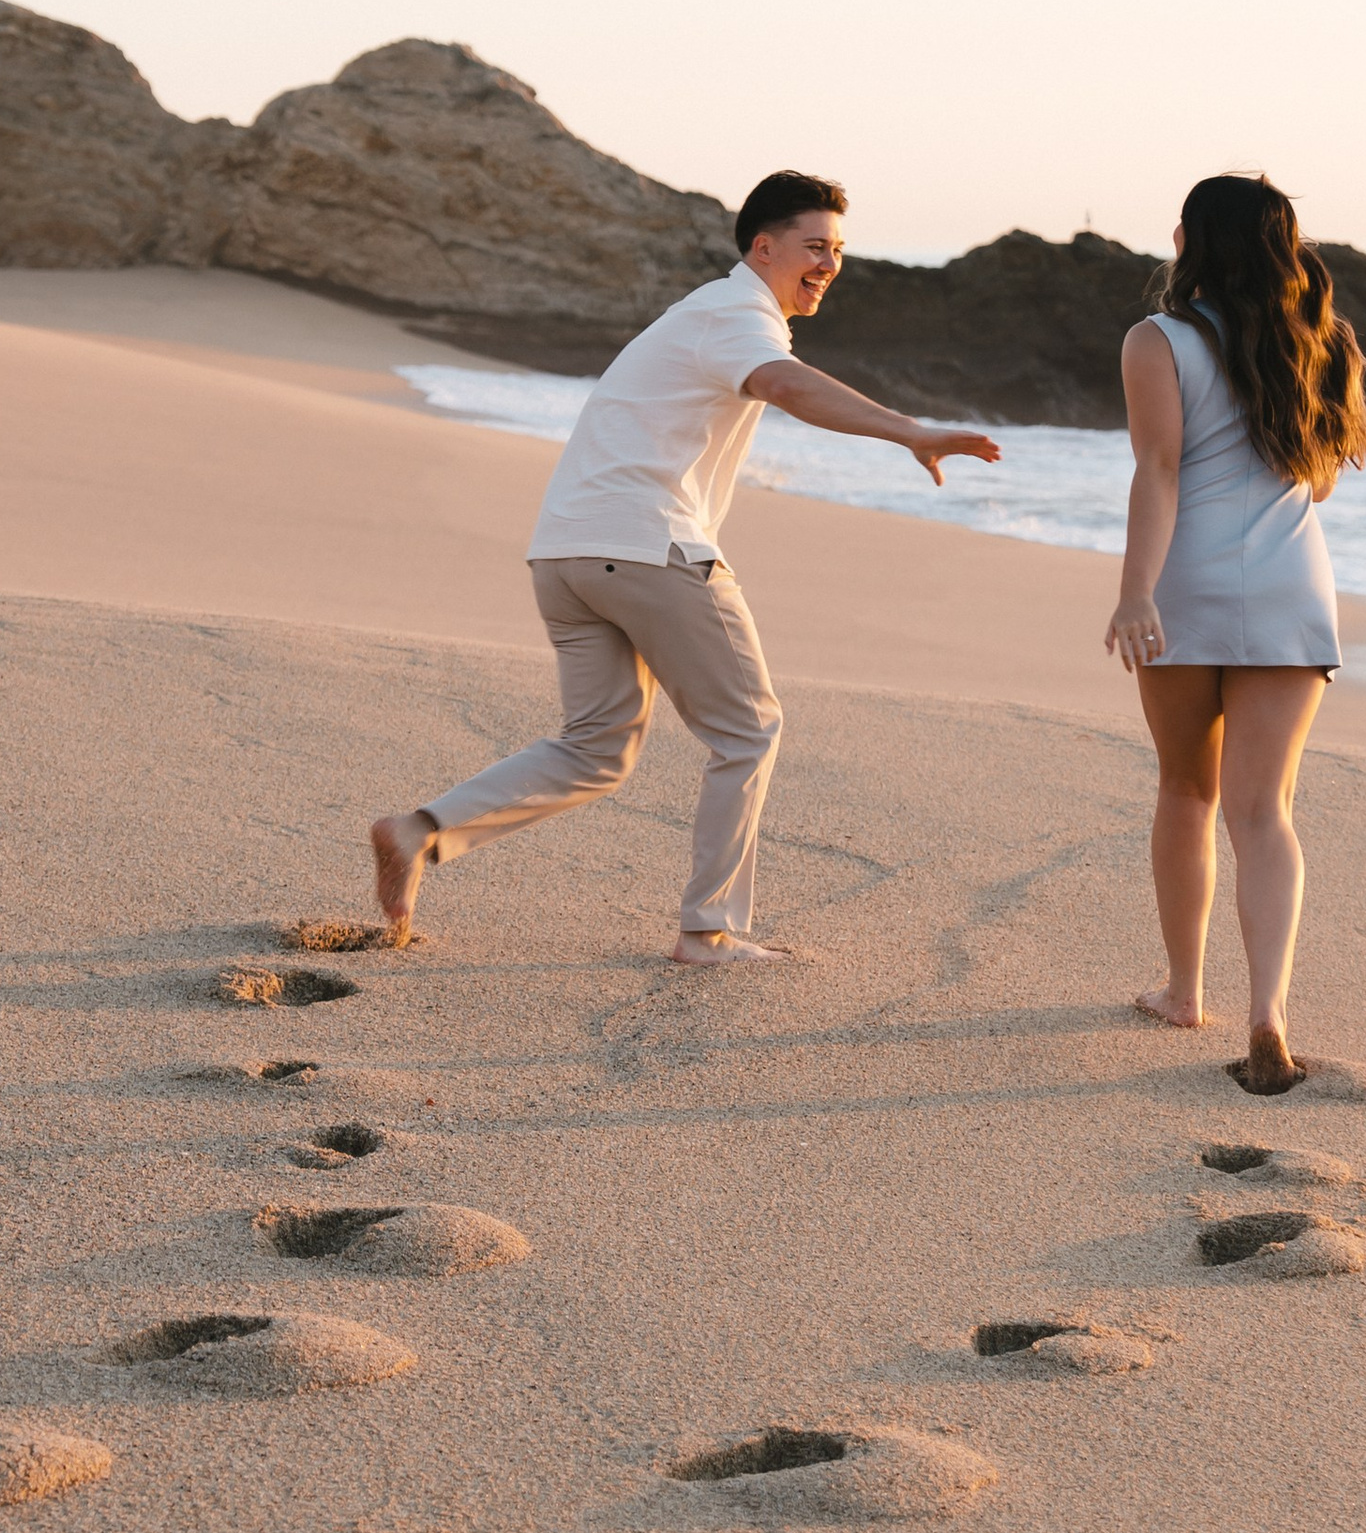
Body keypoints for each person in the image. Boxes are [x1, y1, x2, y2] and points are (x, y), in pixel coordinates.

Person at [370, 174, 1003, 963]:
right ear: (762, 248)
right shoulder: (736, 315)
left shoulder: (704, 313)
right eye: (814, 247)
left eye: (839, 250)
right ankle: (708, 930)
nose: (829, 264)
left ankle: (418, 831)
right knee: (749, 728)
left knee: (596, 747)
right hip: (648, 547)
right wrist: (909, 430)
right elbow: (782, 385)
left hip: (565, 552)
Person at [1103, 173, 1366, 1091]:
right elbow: (1324, 474)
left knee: (1188, 789)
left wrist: (1135, 593)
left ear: (1186, 239)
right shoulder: (1325, 339)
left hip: (1191, 586)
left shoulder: (1159, 339)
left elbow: (1160, 470)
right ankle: (1269, 1010)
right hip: (1294, 590)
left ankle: (1184, 992)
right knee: (1265, 813)